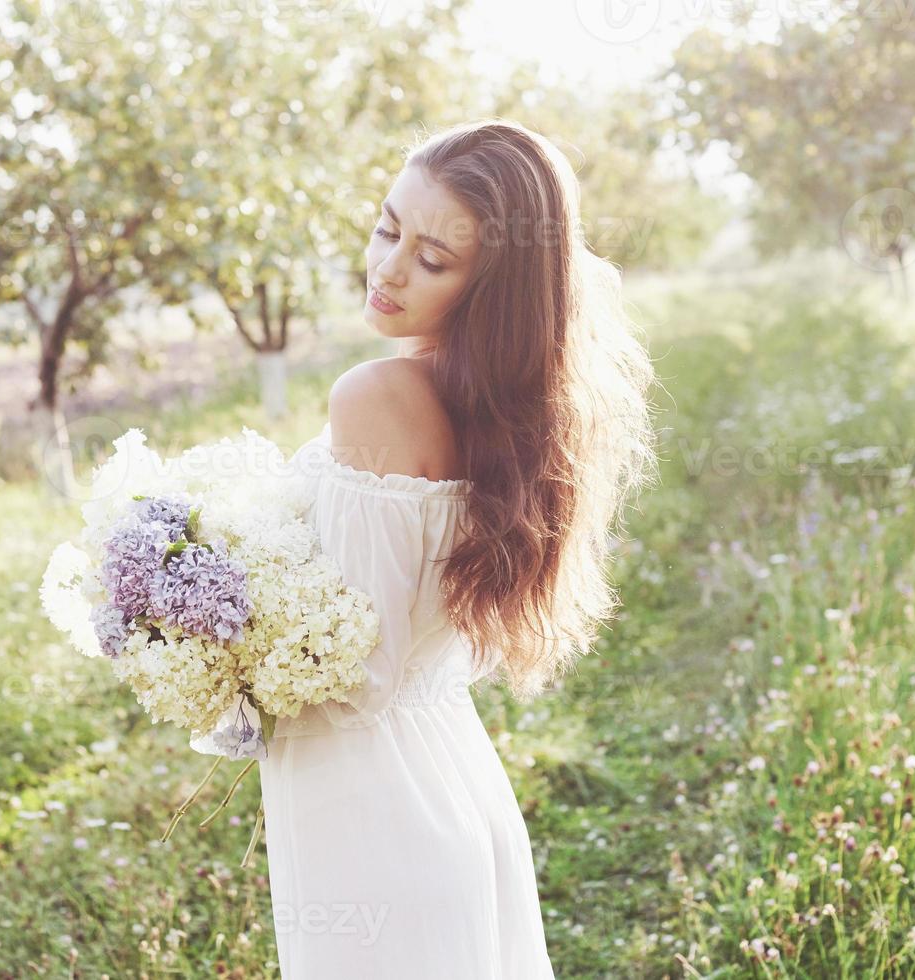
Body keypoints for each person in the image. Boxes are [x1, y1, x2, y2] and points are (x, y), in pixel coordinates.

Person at [257, 117, 660, 979]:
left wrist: (192, 636)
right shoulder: (507, 414)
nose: (390, 268)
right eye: (387, 227)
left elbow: (351, 675)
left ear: (491, 289)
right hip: (448, 777)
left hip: (367, 806)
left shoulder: (377, 396)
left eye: (434, 260)